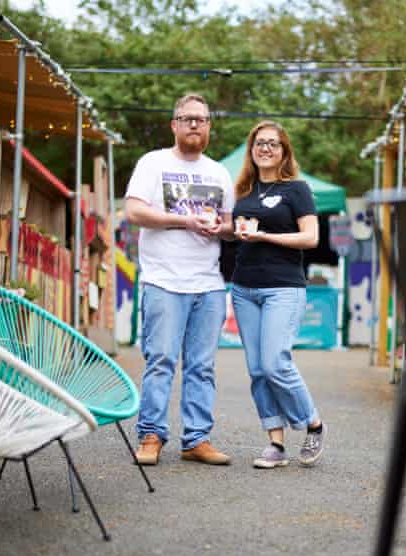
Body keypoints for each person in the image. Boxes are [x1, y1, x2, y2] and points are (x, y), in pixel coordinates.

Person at [125, 93, 235, 466]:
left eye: (201, 120)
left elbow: (230, 223)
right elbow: (135, 211)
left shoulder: (219, 172)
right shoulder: (153, 163)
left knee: (202, 366)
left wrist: (222, 227)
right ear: (174, 125)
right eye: (187, 118)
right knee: (161, 360)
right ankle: (151, 435)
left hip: (209, 283)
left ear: (209, 128)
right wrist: (184, 220)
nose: (194, 125)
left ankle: (196, 439)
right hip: (163, 281)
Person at [230, 120, 325, 469]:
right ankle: (276, 443)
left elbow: (310, 238)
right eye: (259, 142)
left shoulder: (297, 190)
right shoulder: (243, 191)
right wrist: (223, 229)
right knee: (257, 369)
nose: (265, 148)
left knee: (275, 362)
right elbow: (235, 232)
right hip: (243, 287)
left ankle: (313, 423)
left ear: (284, 151)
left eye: (273, 143)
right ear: (251, 150)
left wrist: (265, 237)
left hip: (283, 287)